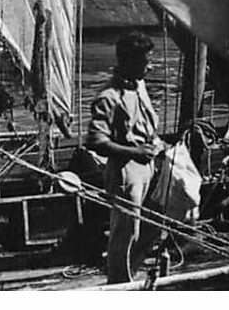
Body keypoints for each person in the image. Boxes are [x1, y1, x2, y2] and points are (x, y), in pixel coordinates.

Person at [87, 32, 164, 282]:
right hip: (125, 172)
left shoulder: (139, 85)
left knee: (154, 224)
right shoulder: (108, 97)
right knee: (126, 231)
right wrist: (135, 152)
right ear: (129, 63)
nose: (150, 67)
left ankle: (131, 271)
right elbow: (96, 141)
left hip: (149, 166)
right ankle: (118, 284)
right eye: (145, 62)